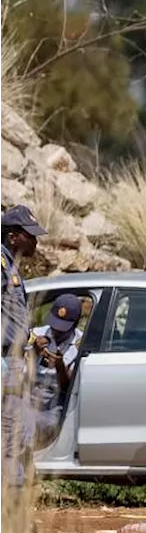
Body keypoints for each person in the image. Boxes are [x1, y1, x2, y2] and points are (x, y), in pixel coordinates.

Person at [0, 205, 45, 489]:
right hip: (6, 361)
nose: (36, 241)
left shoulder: (10, 266)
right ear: (14, 237)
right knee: (12, 434)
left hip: (15, 360)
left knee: (21, 433)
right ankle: (13, 510)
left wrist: (30, 341)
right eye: (31, 235)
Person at [28, 294, 84, 446]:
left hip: (54, 402)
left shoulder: (80, 344)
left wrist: (60, 367)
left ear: (75, 324)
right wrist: (32, 352)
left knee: (40, 426)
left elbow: (69, 388)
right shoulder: (35, 335)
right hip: (29, 396)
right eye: (54, 326)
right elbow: (15, 369)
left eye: (62, 329)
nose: (56, 332)